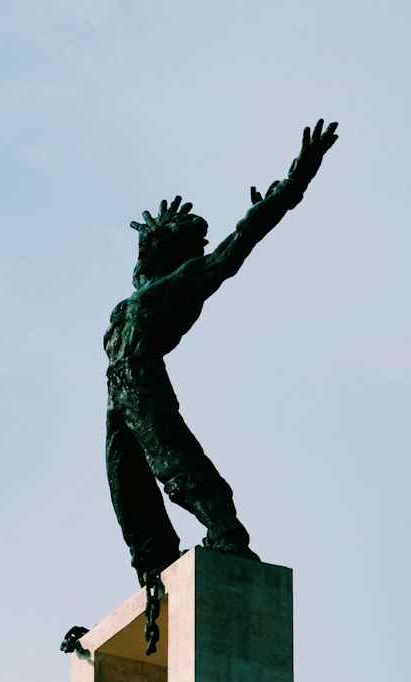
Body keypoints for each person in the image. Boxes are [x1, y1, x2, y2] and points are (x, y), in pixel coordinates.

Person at [104, 118, 339, 583]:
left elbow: (243, 238)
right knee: (126, 487)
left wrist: (294, 182)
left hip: (142, 379)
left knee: (174, 459)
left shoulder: (189, 279)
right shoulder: (146, 286)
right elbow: (140, 272)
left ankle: (226, 531)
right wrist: (152, 233)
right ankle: (155, 565)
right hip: (117, 390)